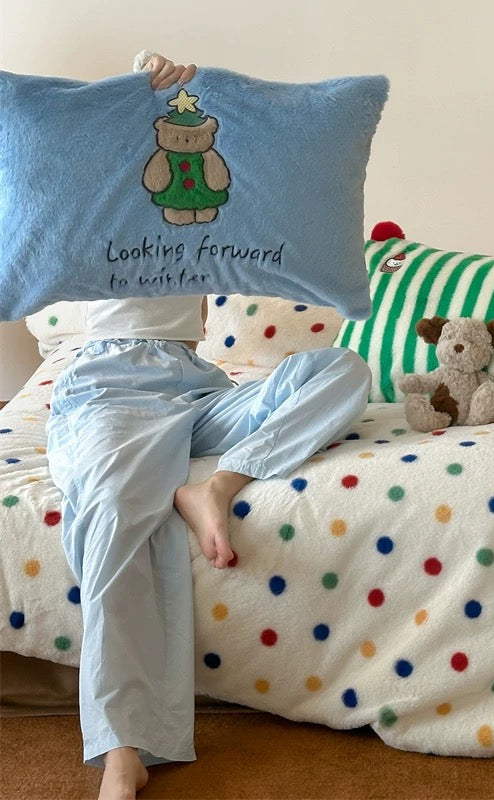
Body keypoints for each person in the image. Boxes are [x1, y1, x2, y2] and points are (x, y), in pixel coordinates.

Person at [45, 52, 372, 800]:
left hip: (195, 385)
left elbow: (262, 184)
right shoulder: (104, 201)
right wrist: (138, 88)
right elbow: (93, 154)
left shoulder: (205, 204)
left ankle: (214, 488)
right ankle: (125, 743)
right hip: (110, 382)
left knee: (342, 370)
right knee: (116, 508)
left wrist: (203, 96)